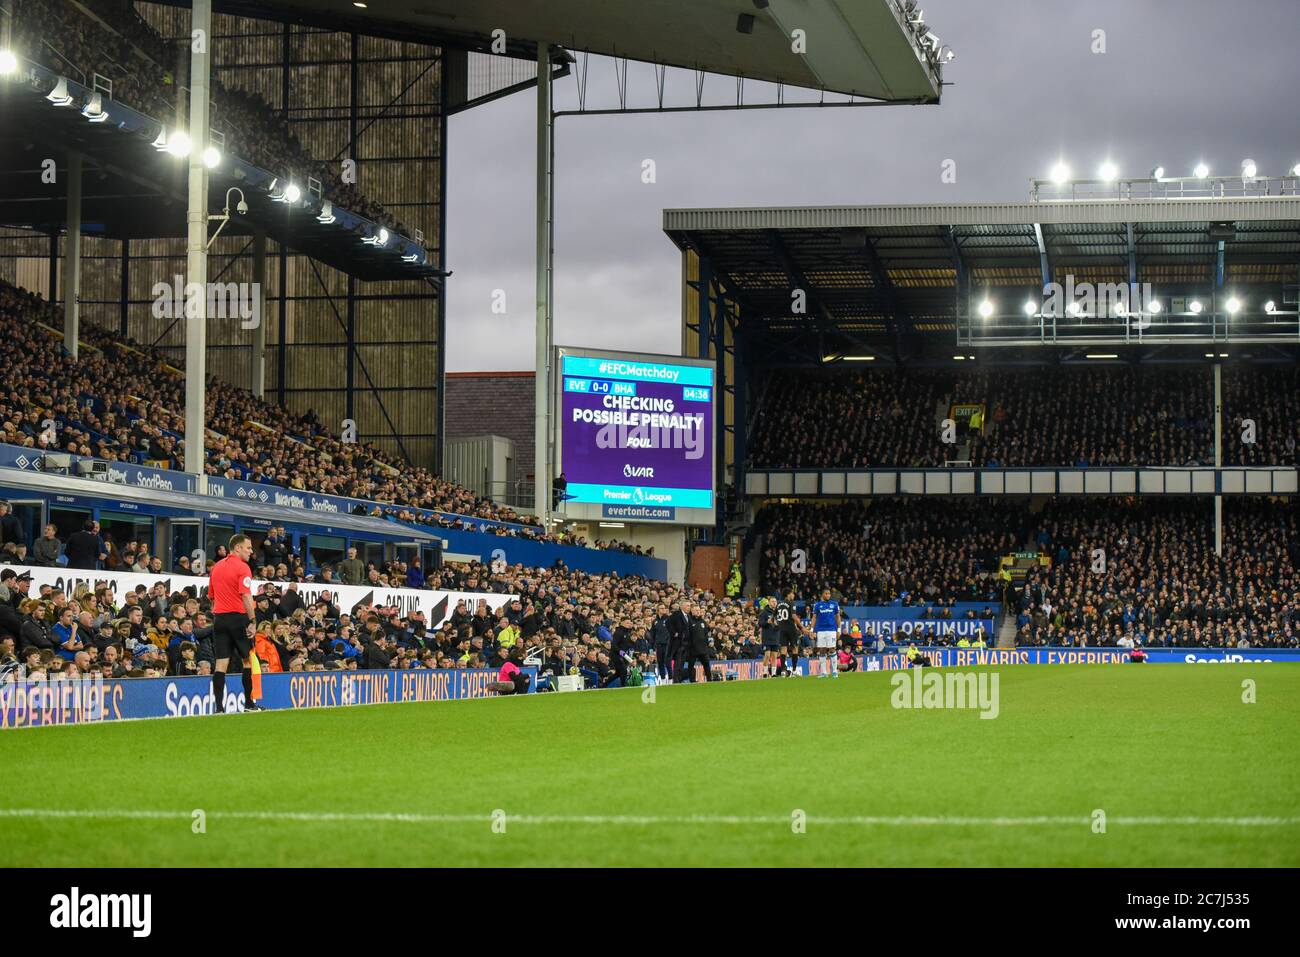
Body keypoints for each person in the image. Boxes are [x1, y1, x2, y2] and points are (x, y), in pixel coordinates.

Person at [209, 534, 264, 712]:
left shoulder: (216, 567)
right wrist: (253, 620)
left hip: (219, 619)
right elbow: (246, 595)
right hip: (238, 618)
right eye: (248, 548)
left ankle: (218, 708)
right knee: (247, 660)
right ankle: (249, 704)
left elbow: (211, 596)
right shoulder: (243, 568)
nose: (251, 551)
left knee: (220, 664)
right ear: (238, 548)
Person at [811, 588, 841, 677]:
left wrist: (838, 630)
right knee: (822, 650)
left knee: (832, 649)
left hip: (831, 629)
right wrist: (812, 630)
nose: (828, 595)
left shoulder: (834, 604)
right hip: (820, 630)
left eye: (829, 594)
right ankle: (824, 672)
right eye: (826, 593)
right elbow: (814, 617)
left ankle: (835, 671)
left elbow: (838, 617)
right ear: (822, 595)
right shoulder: (817, 605)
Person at [776, 590, 803, 676]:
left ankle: (783, 670)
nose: (793, 595)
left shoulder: (779, 604)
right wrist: (802, 627)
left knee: (783, 649)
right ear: (788, 594)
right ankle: (794, 670)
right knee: (795, 647)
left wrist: (777, 625)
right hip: (791, 628)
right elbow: (794, 616)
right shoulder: (791, 603)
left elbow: (772, 618)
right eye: (792, 593)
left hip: (782, 629)